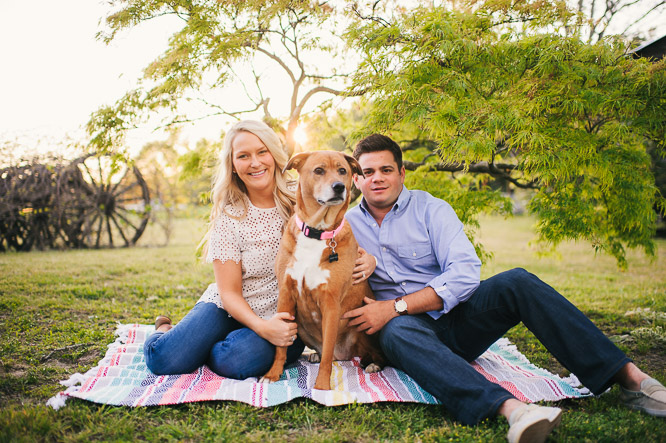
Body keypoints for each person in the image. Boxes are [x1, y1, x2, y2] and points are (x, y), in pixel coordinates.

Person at [343, 134, 666, 442]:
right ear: (356, 179)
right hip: (408, 336)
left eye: (386, 169)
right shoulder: (344, 225)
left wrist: (396, 305)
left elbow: (466, 272)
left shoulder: (432, 209)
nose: (377, 179)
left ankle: (634, 381)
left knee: (517, 281)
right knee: (396, 331)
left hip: (455, 319)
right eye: (368, 172)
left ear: (401, 172)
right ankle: (515, 411)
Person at [143, 120, 376, 379]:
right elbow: (229, 293)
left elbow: (339, 236)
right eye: (243, 156)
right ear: (233, 164)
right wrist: (261, 328)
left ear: (274, 156)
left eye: (261, 152)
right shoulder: (229, 216)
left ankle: (205, 348)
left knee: (235, 361)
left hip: (286, 319)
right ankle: (165, 329)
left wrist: (370, 260)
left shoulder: (305, 194)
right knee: (164, 359)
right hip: (229, 309)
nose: (255, 163)